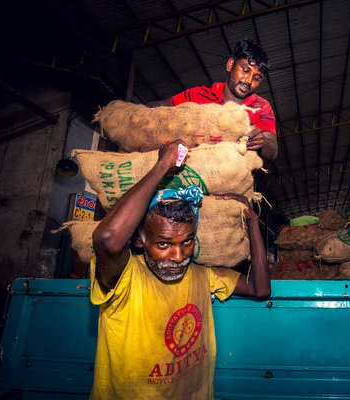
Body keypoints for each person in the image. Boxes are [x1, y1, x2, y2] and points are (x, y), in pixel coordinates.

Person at [89, 139, 270, 399]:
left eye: (187, 241)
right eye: (163, 244)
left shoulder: (203, 275)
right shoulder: (125, 277)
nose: (178, 256)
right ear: (140, 240)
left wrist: (252, 222)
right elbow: (106, 240)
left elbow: (260, 288)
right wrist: (164, 164)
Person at [147, 39, 278, 161]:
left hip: (229, 178)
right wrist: (134, 112)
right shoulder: (198, 95)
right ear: (230, 64)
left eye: (256, 78)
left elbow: (272, 152)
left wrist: (262, 142)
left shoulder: (261, 107)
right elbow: (161, 106)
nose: (248, 81)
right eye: (245, 70)